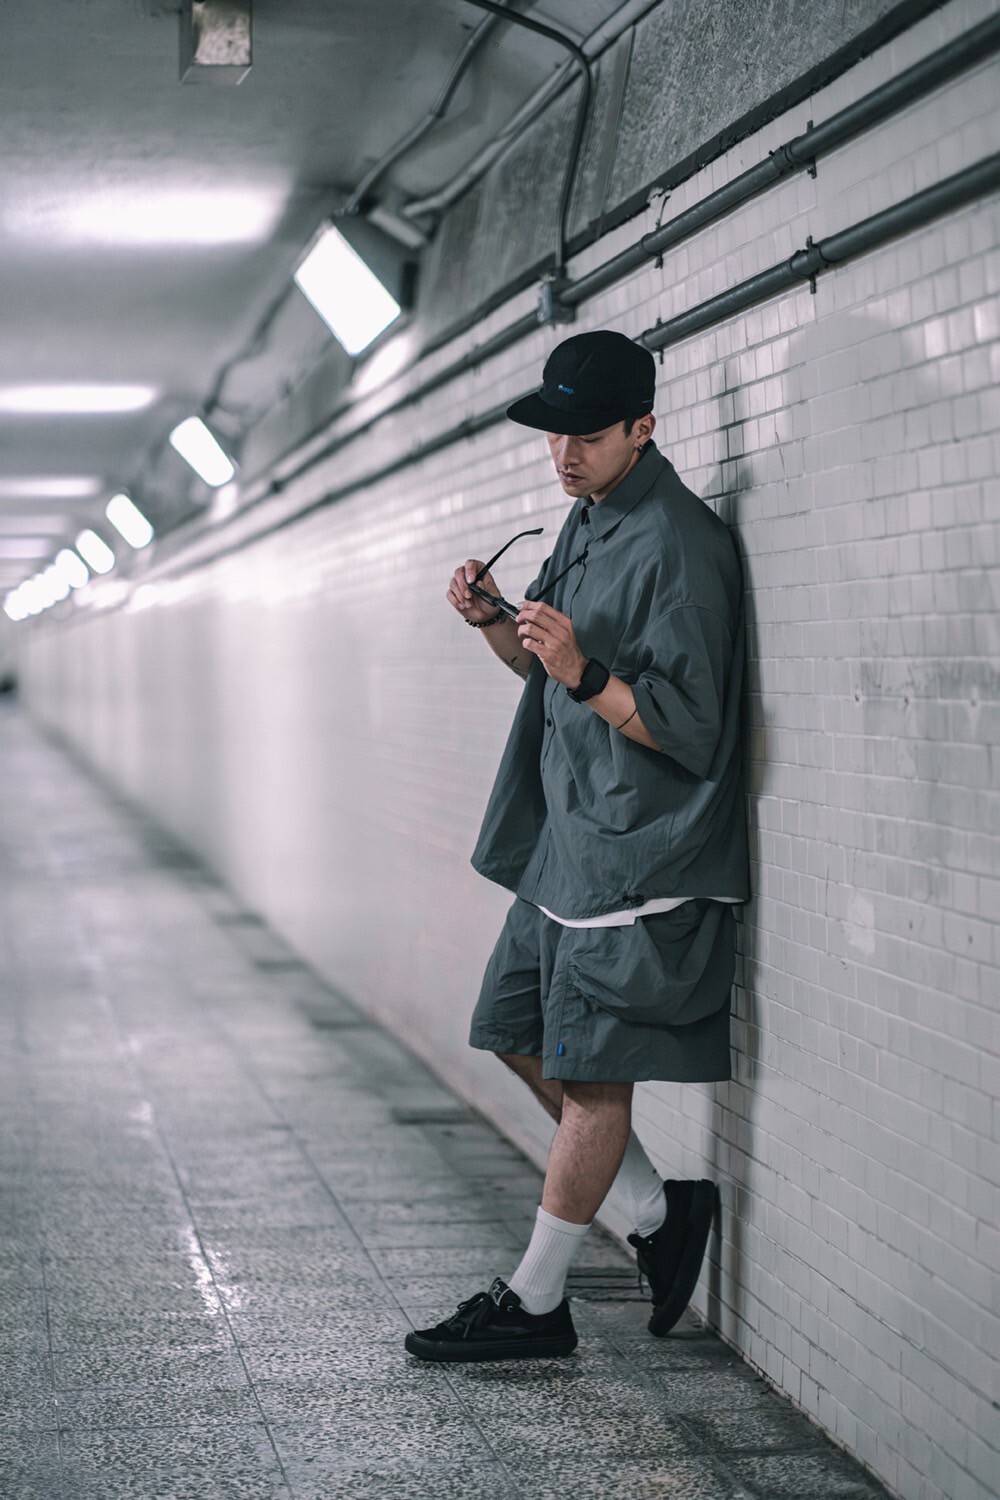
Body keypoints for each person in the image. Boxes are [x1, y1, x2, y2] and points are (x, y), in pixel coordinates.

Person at [405, 328, 749, 1363]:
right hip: (569, 849)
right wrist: (494, 624)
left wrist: (588, 673)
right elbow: (548, 675)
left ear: (644, 427)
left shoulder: (681, 548)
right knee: (513, 1028)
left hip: (643, 857)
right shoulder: (587, 517)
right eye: (556, 437)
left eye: (587, 438)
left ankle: (537, 1300)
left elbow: (689, 730)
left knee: (595, 1081)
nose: (565, 456)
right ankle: (659, 1213)